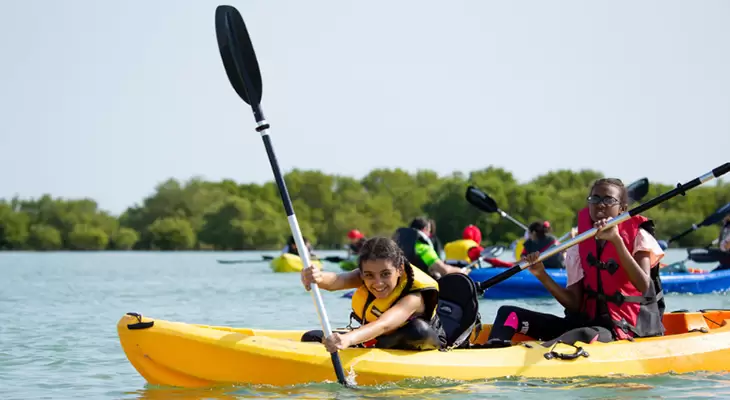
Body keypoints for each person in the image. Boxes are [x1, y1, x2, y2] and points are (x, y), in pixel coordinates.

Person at [482, 178, 666, 348]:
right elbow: (575, 305)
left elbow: (642, 284)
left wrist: (616, 241)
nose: (600, 204)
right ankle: (493, 351)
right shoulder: (578, 245)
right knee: (508, 313)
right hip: (584, 324)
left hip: (625, 328)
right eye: (595, 198)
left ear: (622, 209)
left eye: (609, 200)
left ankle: (538, 354)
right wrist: (542, 275)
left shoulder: (639, 236)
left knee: (584, 334)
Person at [299, 237, 447, 351]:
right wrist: (317, 277)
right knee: (311, 337)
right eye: (369, 275)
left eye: (385, 274)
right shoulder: (364, 275)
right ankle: (370, 344)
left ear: (400, 270)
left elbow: (383, 324)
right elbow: (338, 281)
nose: (378, 283)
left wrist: (348, 339)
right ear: (362, 273)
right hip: (381, 338)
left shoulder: (414, 297)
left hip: (418, 340)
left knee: (417, 331)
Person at [392, 217, 465, 278]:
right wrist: (461, 271)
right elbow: (444, 270)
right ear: (425, 229)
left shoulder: (395, 247)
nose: (430, 235)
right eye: (429, 231)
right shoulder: (423, 248)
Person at [444, 225, 513, 268]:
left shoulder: (449, 245)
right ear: (477, 236)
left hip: (449, 273)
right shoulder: (473, 247)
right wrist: (511, 265)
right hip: (466, 276)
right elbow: (494, 262)